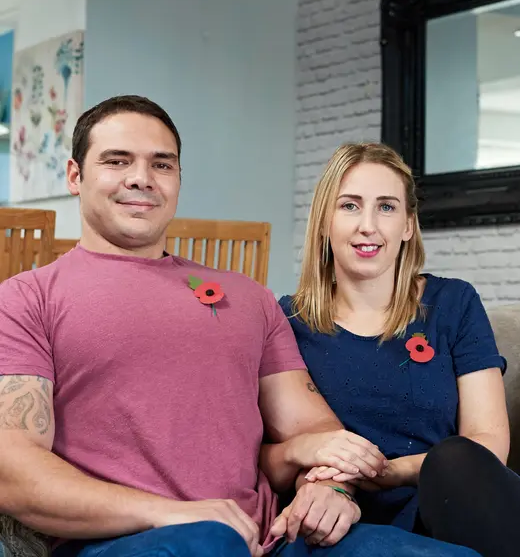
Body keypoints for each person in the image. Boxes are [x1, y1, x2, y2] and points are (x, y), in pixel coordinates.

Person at [0, 96, 479, 557]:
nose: (141, 179)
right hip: (129, 539)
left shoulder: (248, 296)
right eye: (117, 161)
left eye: (162, 164)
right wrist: (170, 513)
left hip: (275, 536)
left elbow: (312, 426)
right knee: (209, 542)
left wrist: (330, 486)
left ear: (179, 180)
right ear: (75, 176)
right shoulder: (26, 300)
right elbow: (13, 473)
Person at [278, 142, 520, 557]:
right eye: (350, 206)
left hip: (464, 501)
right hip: (355, 519)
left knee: (455, 460)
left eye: (387, 207)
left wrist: (389, 471)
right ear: (324, 221)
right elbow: (263, 447)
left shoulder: (455, 303)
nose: (368, 226)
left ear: (409, 225)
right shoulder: (287, 320)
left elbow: (489, 440)